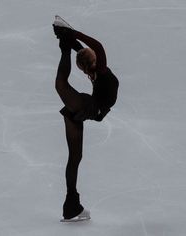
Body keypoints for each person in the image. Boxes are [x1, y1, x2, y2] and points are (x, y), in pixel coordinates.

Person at [53, 18, 119, 221]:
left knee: (75, 158)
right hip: (87, 108)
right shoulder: (100, 69)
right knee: (61, 85)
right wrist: (72, 34)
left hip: (85, 109)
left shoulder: (96, 70)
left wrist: (71, 37)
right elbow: (96, 47)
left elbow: (84, 51)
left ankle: (72, 205)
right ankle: (71, 205)